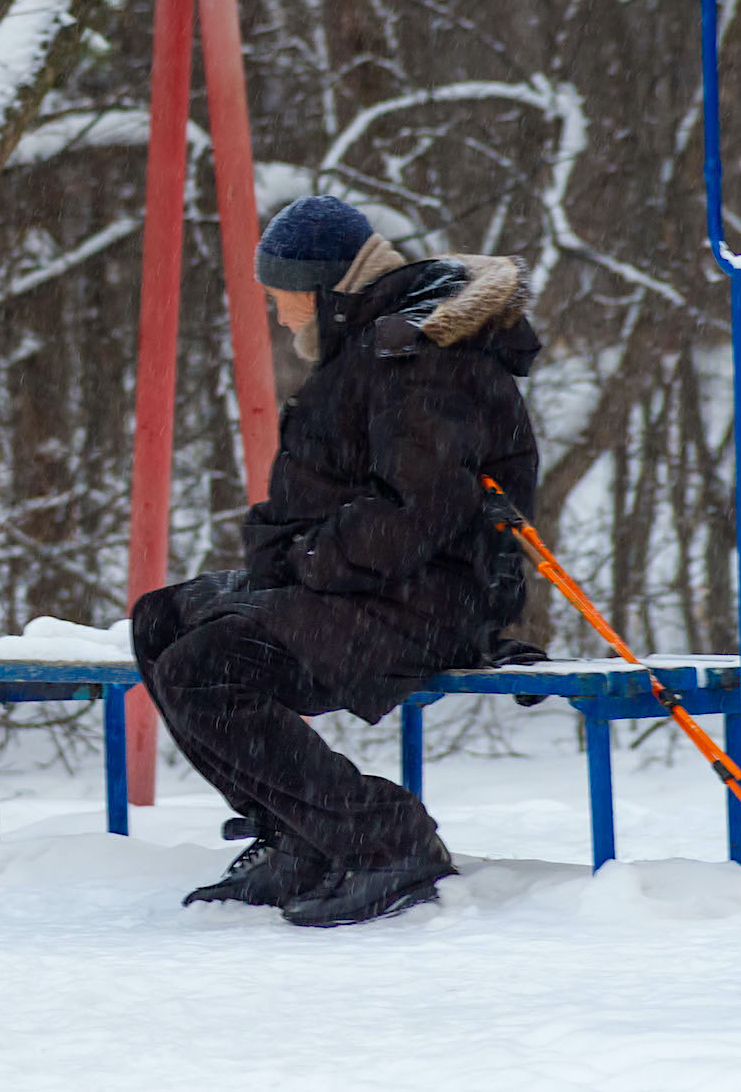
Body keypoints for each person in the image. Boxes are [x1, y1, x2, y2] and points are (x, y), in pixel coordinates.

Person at [132, 194, 542, 927]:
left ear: (325, 290)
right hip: (363, 587)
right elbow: (331, 490)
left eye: (284, 298)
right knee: (161, 619)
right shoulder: (370, 352)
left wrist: (308, 557)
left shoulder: (420, 362)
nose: (280, 315)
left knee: (208, 668)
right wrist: (279, 549)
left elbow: (423, 512)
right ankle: (302, 834)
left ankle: (385, 839)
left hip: (432, 598)